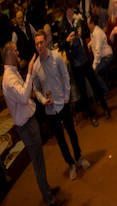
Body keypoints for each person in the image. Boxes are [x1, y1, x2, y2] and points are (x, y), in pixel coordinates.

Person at [1, 42, 65, 206]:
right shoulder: (8, 78)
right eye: (15, 50)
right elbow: (23, 96)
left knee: (40, 162)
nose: (18, 52)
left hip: (28, 123)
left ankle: (47, 190)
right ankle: (49, 200)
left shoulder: (11, 73)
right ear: (9, 54)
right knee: (38, 163)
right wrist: (29, 70)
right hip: (26, 126)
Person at [29, 29, 91, 182]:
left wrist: (66, 96)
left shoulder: (56, 57)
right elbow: (36, 89)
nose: (39, 46)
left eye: (41, 42)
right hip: (50, 109)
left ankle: (79, 157)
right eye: (36, 44)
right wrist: (43, 100)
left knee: (72, 132)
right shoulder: (36, 67)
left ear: (46, 42)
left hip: (62, 104)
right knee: (61, 140)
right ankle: (70, 163)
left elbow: (66, 76)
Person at [57, 3, 110, 125]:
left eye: (71, 10)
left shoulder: (79, 19)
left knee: (95, 84)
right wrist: (67, 40)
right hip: (75, 62)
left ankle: (105, 107)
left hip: (84, 58)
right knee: (83, 90)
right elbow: (60, 44)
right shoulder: (62, 25)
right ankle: (91, 115)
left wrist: (81, 33)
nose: (70, 13)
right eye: (68, 11)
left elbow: (87, 31)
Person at [87, 14, 113, 99]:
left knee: (95, 73)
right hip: (103, 57)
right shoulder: (94, 32)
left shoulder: (97, 33)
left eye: (88, 24)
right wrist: (90, 44)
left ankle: (105, 92)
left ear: (92, 24)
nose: (87, 25)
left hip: (106, 57)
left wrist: (94, 65)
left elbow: (97, 52)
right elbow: (94, 42)